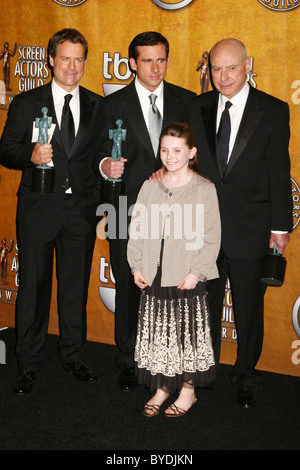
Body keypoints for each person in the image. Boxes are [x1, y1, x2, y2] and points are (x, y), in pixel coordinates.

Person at [0, 28, 107, 394]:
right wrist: (29, 153)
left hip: (80, 210)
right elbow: (6, 149)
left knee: (75, 288)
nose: (72, 67)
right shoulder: (26, 103)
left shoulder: (97, 105)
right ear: (50, 60)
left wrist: (106, 169)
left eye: (79, 59)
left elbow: (100, 157)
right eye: (65, 58)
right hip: (38, 209)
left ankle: (73, 355)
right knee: (33, 287)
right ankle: (28, 363)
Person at [189, 38, 293, 407]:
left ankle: (247, 373)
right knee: (206, 303)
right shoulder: (197, 105)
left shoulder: (274, 110)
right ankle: (205, 367)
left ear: (248, 64)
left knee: (249, 307)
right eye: (216, 68)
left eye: (231, 67)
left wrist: (280, 228)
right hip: (204, 229)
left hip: (252, 227)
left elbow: (280, 173)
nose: (223, 76)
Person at [98, 31, 196, 391]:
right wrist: (105, 165)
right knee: (128, 288)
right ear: (132, 64)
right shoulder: (110, 105)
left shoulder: (187, 101)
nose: (155, 68)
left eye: (161, 59)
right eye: (147, 60)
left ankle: (167, 359)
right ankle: (129, 360)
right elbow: (99, 155)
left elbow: (198, 156)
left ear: (168, 60)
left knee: (172, 286)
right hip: (125, 208)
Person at [127, 123, 221, 417]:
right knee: (160, 335)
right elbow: (137, 230)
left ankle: (188, 391)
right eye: (165, 150)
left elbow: (211, 237)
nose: (169, 156)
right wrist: (136, 266)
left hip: (186, 276)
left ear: (191, 152)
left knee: (187, 334)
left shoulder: (204, 188)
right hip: (154, 274)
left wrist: (197, 272)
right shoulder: (149, 186)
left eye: (177, 150)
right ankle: (162, 388)